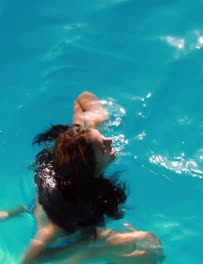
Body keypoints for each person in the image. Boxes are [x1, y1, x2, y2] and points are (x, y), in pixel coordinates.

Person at [21, 91, 164, 263]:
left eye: (101, 137)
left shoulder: (75, 149)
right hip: (67, 241)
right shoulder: (62, 217)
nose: (110, 140)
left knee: (149, 245)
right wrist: (90, 244)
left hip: (70, 217)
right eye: (103, 146)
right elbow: (29, 260)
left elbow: (82, 98)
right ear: (89, 166)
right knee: (151, 252)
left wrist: (97, 116)